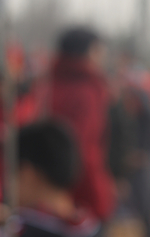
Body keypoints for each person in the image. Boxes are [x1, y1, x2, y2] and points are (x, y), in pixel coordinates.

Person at [39, 27, 115, 221]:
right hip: (80, 192)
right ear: (86, 52)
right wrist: (98, 196)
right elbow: (82, 146)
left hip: (46, 187)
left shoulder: (46, 84)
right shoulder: (87, 90)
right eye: (98, 50)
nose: (102, 56)